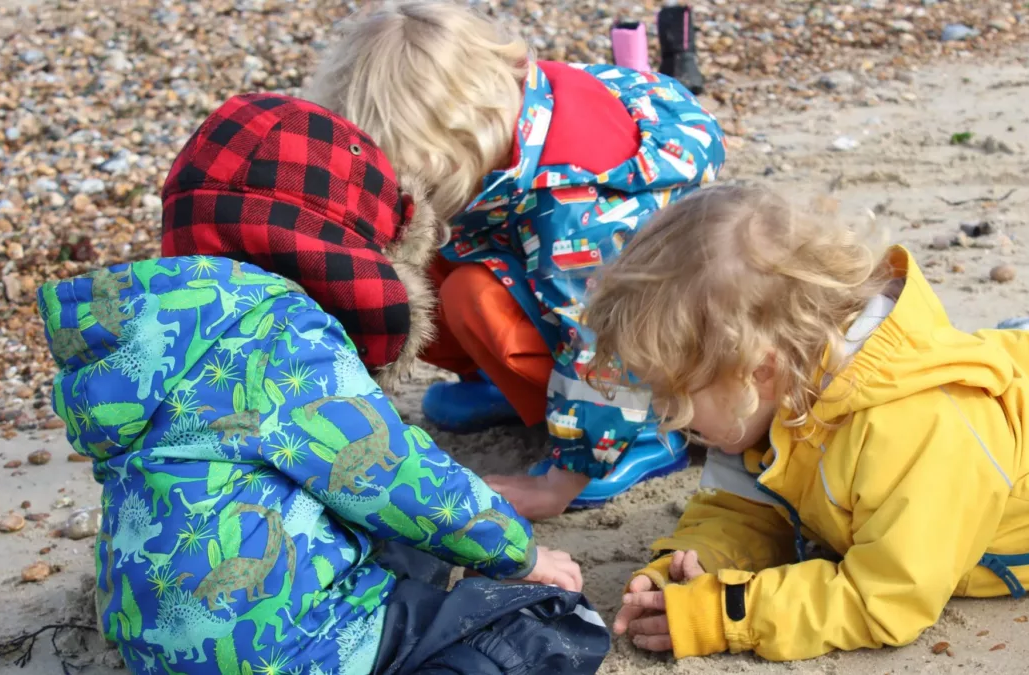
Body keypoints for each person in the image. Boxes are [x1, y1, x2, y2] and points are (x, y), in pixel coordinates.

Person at [39, 93, 608, 675]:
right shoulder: (280, 329)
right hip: (284, 648)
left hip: (162, 648)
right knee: (550, 628)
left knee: (394, 543)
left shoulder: (152, 336)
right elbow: (389, 470)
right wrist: (518, 553)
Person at [582, 182, 1029, 661]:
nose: (668, 416)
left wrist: (729, 613)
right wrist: (698, 560)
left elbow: (887, 598)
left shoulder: (917, 427)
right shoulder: (772, 400)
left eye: (674, 395)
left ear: (756, 370)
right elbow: (748, 506)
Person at [304, 0, 727, 519]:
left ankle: (640, 439)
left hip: (647, 352)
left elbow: (604, 345)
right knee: (424, 258)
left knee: (472, 293)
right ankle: (512, 385)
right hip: (556, 254)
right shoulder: (513, 99)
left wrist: (562, 480)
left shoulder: (575, 205)